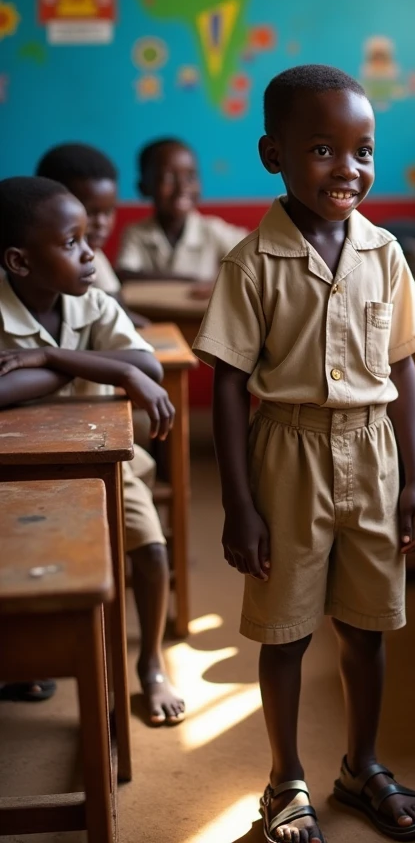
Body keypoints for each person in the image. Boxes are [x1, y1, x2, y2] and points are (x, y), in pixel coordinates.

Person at [194, 65, 415, 842]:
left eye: (364, 150)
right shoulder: (250, 262)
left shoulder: (387, 252)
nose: (350, 169)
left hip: (374, 455)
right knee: (286, 632)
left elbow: (402, 364)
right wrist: (239, 503)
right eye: (324, 150)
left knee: (366, 628)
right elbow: (230, 385)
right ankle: (284, 780)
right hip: (287, 455)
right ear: (275, 155)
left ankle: (362, 765)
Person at [0, 175, 185, 726]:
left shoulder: (94, 304)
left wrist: (49, 360)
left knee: (150, 549)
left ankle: (150, 664)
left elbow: (150, 367)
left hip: (104, 464)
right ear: (20, 261)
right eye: (71, 243)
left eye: (87, 238)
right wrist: (111, 368)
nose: (89, 253)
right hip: (14, 475)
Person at [36, 142, 147, 326]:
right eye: (89, 212)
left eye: (109, 211)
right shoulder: (37, 270)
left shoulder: (94, 256)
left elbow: (118, 313)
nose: (102, 223)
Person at [117, 137, 247, 292]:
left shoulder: (213, 230)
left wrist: (220, 283)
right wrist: (191, 281)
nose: (182, 187)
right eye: (168, 178)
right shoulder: (136, 233)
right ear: (144, 187)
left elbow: (254, 259)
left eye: (191, 176)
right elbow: (123, 274)